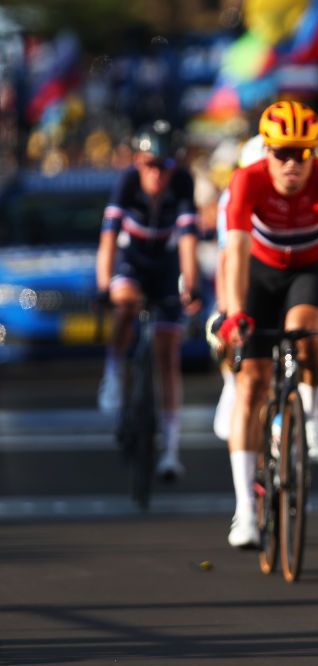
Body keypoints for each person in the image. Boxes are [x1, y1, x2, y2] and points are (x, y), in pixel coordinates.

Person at [218, 101, 318, 549]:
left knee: (307, 330)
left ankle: (311, 418)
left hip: (309, 270)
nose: (292, 163)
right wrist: (236, 312)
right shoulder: (246, 179)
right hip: (260, 272)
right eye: (282, 153)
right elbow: (235, 252)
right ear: (266, 152)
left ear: (315, 152)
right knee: (251, 385)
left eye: (302, 153)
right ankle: (244, 512)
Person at [95, 120, 201, 481]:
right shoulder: (126, 182)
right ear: (138, 163)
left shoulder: (184, 184)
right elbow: (108, 240)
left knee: (168, 353)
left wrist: (192, 286)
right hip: (133, 260)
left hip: (166, 264)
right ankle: (113, 371)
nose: (157, 174)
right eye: (149, 165)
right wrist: (102, 285)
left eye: (164, 166)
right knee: (124, 302)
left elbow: (188, 241)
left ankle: (170, 451)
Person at [207, 135, 265, 442]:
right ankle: (231, 382)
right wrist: (225, 308)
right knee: (221, 327)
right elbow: (225, 257)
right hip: (243, 277)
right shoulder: (231, 198)